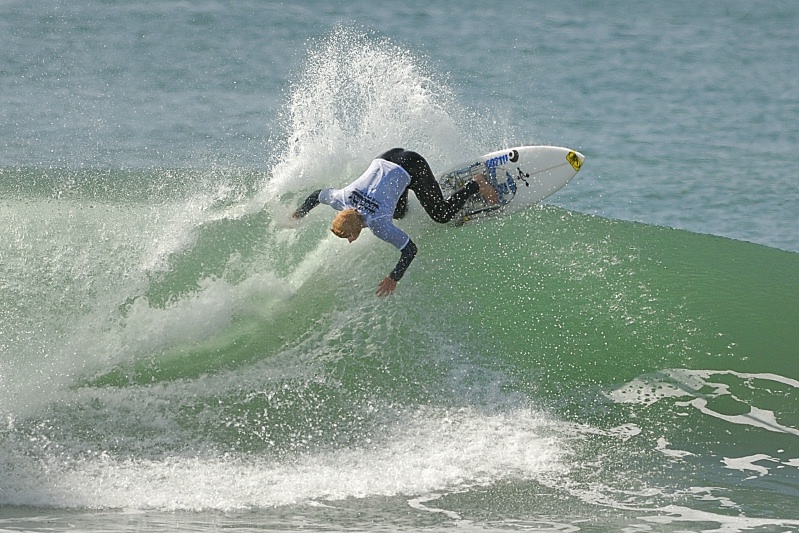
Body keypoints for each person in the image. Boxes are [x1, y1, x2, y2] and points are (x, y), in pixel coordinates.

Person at [292, 148, 498, 296]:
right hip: (388, 156)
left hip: (414, 166)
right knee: (399, 213)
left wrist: (394, 278)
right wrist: (298, 214)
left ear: (354, 234)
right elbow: (317, 196)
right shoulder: (342, 199)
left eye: (348, 237)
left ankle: (476, 184)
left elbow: (410, 250)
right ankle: (412, 187)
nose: (350, 241)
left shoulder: (378, 223)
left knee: (441, 215)